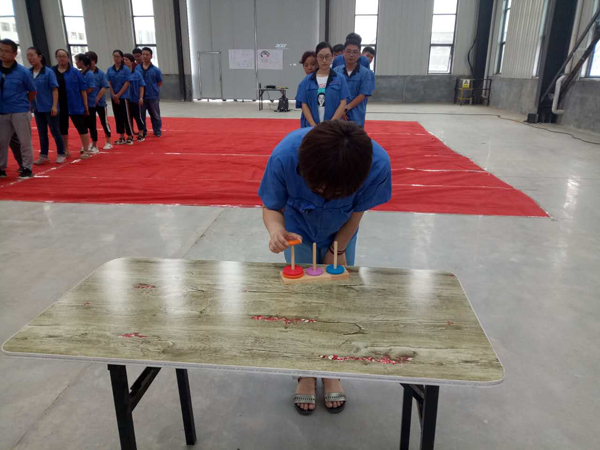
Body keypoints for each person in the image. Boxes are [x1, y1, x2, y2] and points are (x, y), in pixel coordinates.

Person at [258, 120, 392, 415]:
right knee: (302, 302)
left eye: (337, 192)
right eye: (318, 188)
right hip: (297, 233)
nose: (325, 196)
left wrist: (338, 249)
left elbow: (357, 213)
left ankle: (332, 367)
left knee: (337, 300)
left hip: (341, 231)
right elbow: (271, 206)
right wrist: (276, 230)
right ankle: (306, 370)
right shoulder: (285, 156)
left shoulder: (376, 165)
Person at [0, 39, 37, 178]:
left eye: (6, 51)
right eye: (0, 50)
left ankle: (27, 168)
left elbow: (32, 91)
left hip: (20, 110)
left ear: (15, 54)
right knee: (1, 141)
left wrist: (24, 104)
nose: (2, 54)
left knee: (24, 141)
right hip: (2, 111)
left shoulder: (23, 72)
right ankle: (1, 168)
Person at [27, 47, 66, 165]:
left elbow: (55, 89)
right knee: (42, 132)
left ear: (39, 57)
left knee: (55, 131)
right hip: (37, 108)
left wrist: (54, 106)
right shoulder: (28, 73)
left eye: (32, 55)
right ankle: (44, 155)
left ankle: (61, 153)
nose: (29, 58)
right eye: (28, 55)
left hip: (49, 107)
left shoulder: (48, 72)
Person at [296, 42, 349, 128]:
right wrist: (313, 126)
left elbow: (343, 103)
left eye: (327, 56)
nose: (324, 60)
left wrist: (331, 124)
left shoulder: (340, 79)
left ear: (332, 57)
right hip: (311, 127)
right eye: (321, 57)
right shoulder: (307, 80)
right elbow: (304, 105)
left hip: (334, 127)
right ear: (316, 58)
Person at [52, 49, 91, 159]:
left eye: (64, 56)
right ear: (56, 58)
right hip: (59, 105)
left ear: (68, 58)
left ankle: (86, 150)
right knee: (62, 129)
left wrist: (85, 105)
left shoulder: (75, 72)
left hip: (75, 104)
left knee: (82, 127)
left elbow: (83, 89)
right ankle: (65, 150)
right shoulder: (51, 71)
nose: (62, 58)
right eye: (59, 56)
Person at [333, 40, 373, 127]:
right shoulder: (336, 71)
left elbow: (363, 94)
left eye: (355, 52)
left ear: (359, 55)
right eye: (348, 51)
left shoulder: (365, 73)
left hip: (357, 114)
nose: (351, 55)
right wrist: (341, 110)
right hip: (338, 114)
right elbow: (333, 93)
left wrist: (346, 108)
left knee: (355, 134)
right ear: (343, 53)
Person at [86, 51, 112, 149]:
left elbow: (104, 87)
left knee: (104, 122)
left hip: (100, 103)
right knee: (91, 124)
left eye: (91, 60)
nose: (90, 63)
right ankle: (94, 143)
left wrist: (97, 98)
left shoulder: (100, 73)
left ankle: (108, 141)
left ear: (95, 61)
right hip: (89, 103)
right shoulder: (84, 73)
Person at [107, 50, 133, 145]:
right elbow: (108, 82)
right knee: (118, 117)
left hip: (124, 97)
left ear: (121, 58)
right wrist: (114, 95)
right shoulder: (110, 69)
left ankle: (129, 136)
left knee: (126, 117)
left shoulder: (125, 69)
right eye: (114, 56)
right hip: (114, 97)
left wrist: (118, 95)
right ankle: (121, 136)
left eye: (117, 56)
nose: (115, 58)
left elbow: (127, 83)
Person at [75, 53, 99, 155]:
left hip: (90, 103)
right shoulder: (79, 73)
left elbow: (90, 88)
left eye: (76, 61)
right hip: (81, 104)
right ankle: (87, 144)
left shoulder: (89, 74)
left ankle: (95, 144)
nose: (76, 63)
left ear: (81, 62)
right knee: (83, 125)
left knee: (92, 124)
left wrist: (82, 94)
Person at [138, 47, 163, 137]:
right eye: (143, 54)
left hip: (153, 96)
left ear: (151, 56)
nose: (144, 56)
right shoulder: (137, 69)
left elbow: (159, 82)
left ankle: (157, 130)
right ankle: (143, 131)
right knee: (141, 115)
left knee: (155, 115)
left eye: (147, 54)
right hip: (141, 97)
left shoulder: (156, 70)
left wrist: (153, 89)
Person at [123, 53, 146, 142]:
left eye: (127, 60)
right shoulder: (122, 74)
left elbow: (141, 86)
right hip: (125, 100)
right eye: (123, 60)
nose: (125, 62)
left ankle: (141, 133)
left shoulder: (137, 74)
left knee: (138, 116)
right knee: (127, 118)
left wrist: (141, 98)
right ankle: (130, 135)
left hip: (135, 99)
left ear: (132, 62)